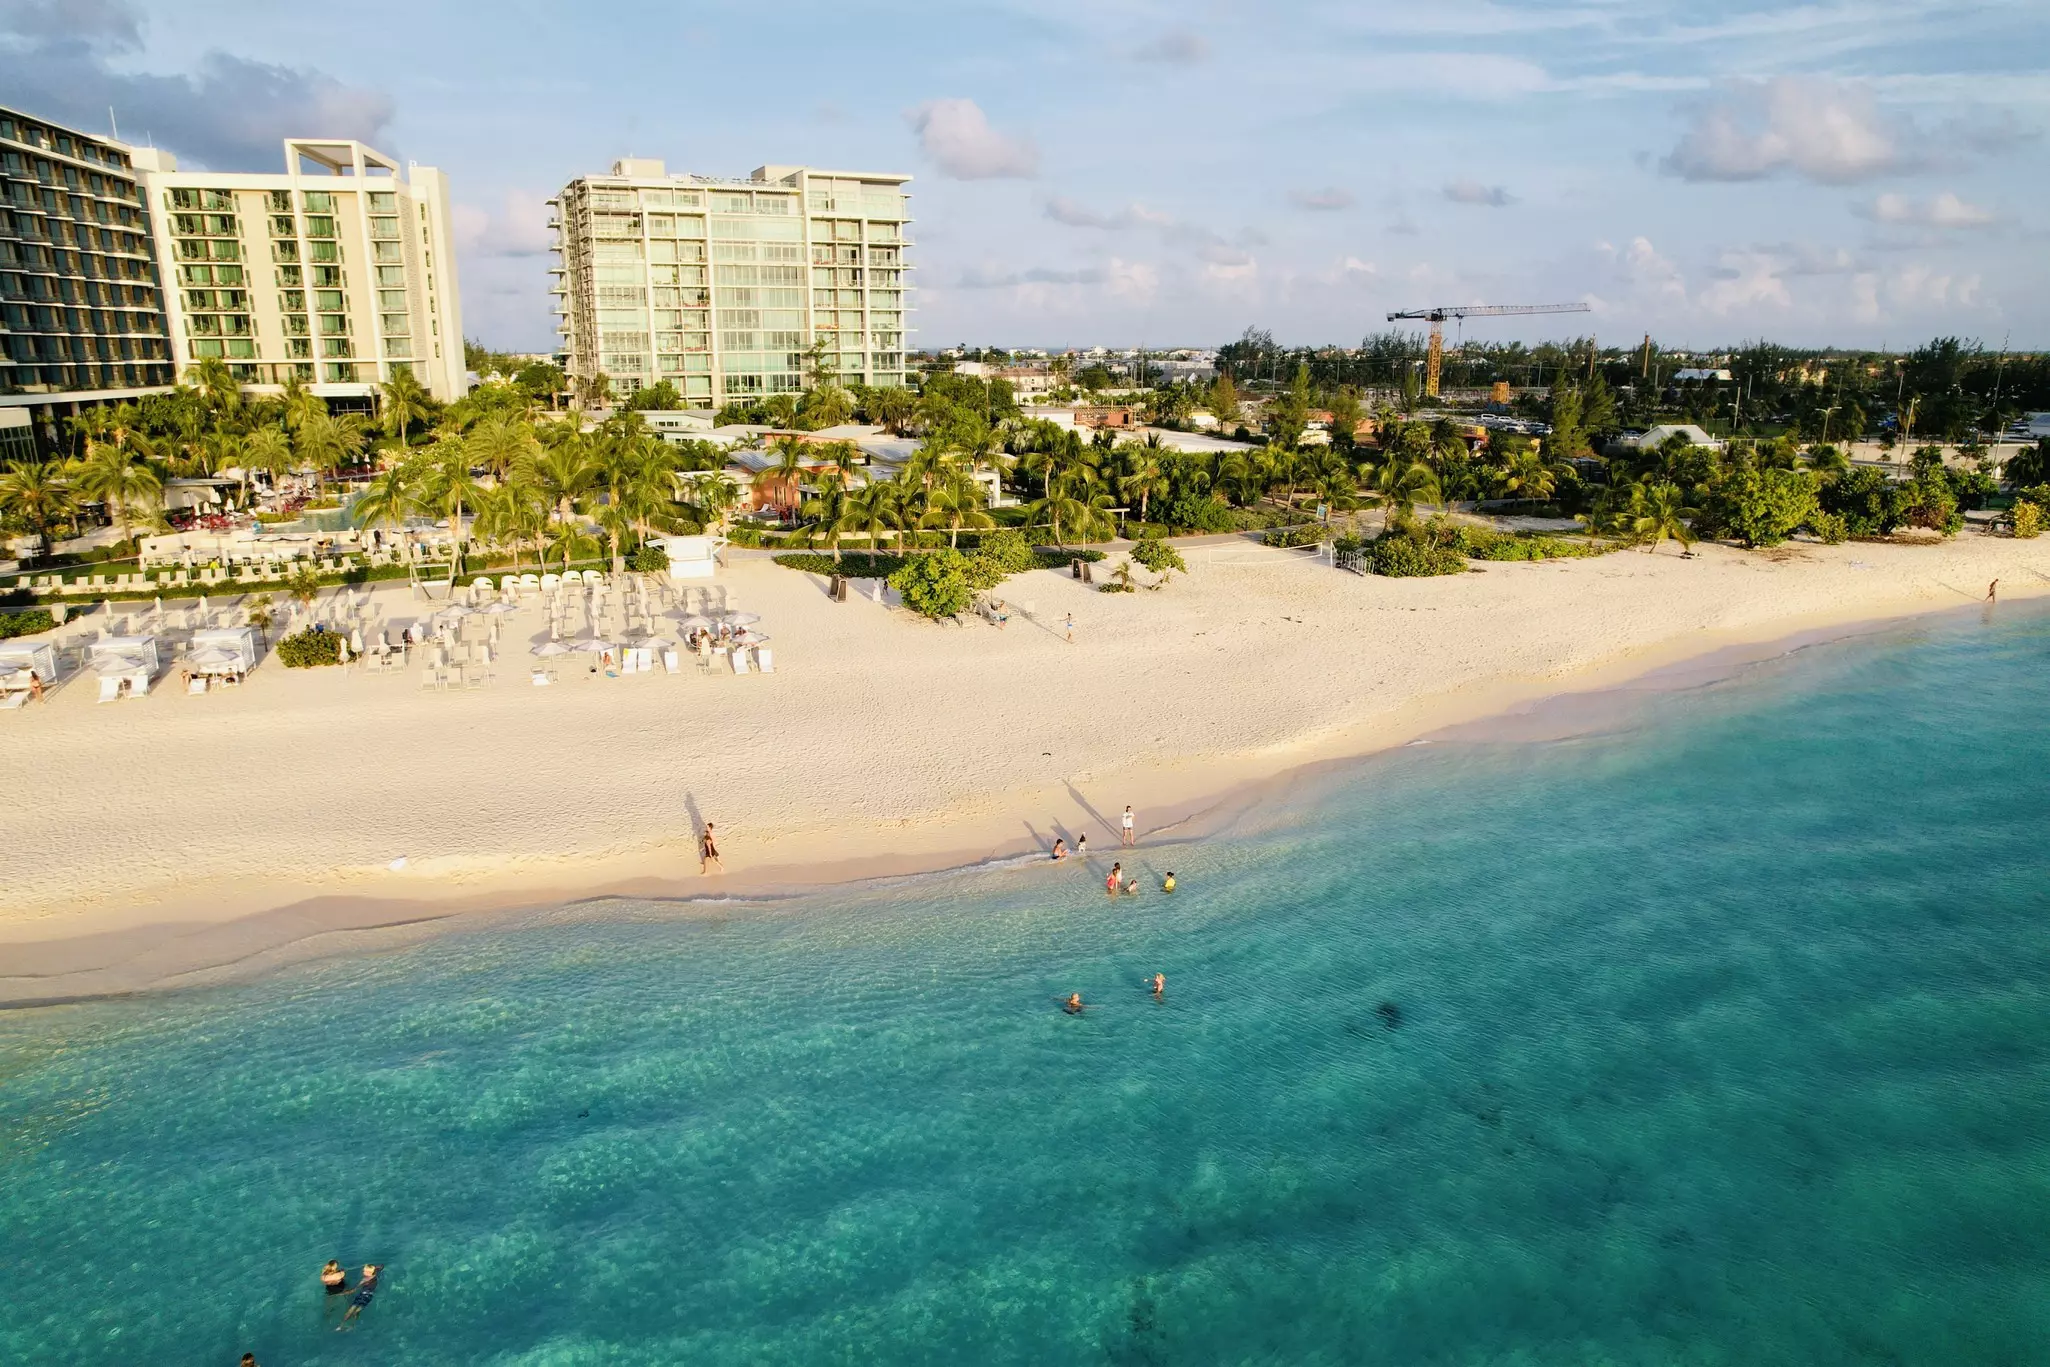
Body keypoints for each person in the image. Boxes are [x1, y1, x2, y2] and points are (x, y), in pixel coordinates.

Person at [338, 1264, 381, 1329]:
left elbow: (354, 1290)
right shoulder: (375, 1275)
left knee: (351, 1310)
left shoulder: (365, 1280)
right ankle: (352, 1326)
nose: (363, 1272)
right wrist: (376, 1267)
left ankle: (341, 1325)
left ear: (369, 1272)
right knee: (357, 1311)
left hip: (362, 1295)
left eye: (364, 1271)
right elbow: (381, 1266)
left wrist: (343, 1293)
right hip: (368, 1296)